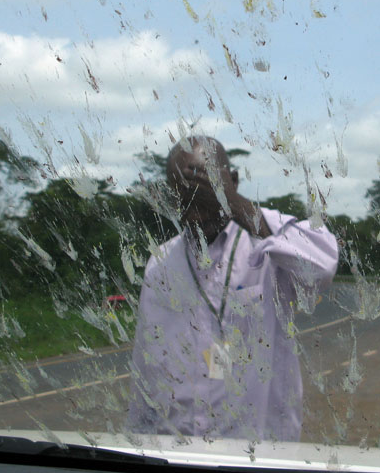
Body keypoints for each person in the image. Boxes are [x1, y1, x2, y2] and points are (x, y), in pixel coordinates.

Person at [126, 136, 338, 441]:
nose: (194, 196)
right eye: (183, 188)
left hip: (255, 459)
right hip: (176, 456)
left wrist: (231, 202)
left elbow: (323, 264)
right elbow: (145, 368)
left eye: (206, 183)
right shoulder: (160, 266)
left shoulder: (267, 248)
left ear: (233, 182)